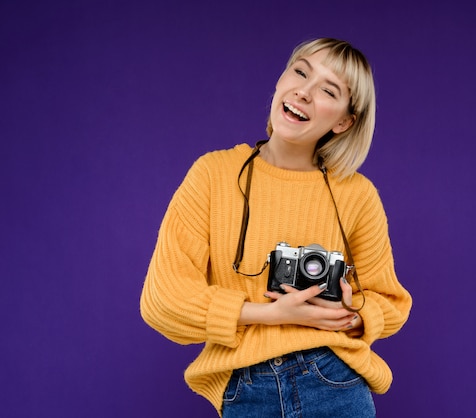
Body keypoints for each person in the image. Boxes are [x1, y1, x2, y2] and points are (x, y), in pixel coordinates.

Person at [140, 37, 412, 417]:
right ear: (282, 79)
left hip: (335, 381)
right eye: (300, 71)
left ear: (344, 121)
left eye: (328, 90)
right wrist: (271, 313)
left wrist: (350, 312)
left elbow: (391, 302)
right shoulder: (213, 175)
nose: (304, 91)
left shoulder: (356, 194)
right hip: (244, 387)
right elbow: (162, 302)